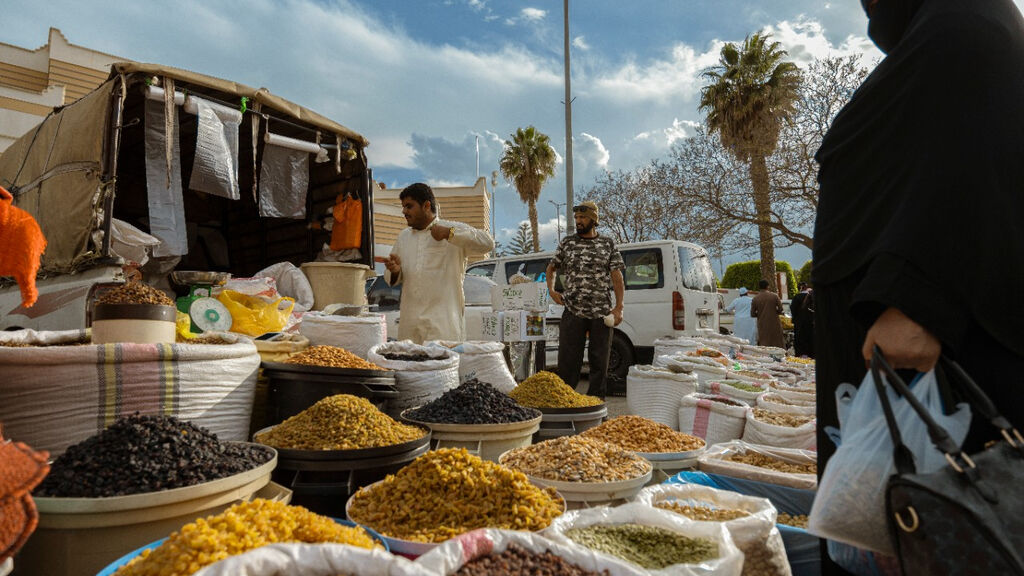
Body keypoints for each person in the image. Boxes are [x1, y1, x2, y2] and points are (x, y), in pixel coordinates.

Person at [813, 0, 1024, 572]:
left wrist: (922, 295)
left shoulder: (968, 17)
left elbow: (978, 142)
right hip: (885, 354)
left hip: (924, 348)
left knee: (938, 532)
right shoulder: (933, 32)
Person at [385, 183, 494, 343]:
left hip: (443, 328)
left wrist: (449, 234)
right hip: (410, 327)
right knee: (408, 366)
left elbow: (487, 243)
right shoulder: (404, 237)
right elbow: (392, 278)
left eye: (409, 206)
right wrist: (394, 270)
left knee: (443, 367)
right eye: (403, 207)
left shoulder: (452, 228)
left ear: (426, 205)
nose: (404, 212)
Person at [545, 201, 625, 399]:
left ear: (593, 220)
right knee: (568, 361)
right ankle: (566, 401)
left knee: (600, 362)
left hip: (601, 312)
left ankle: (596, 404)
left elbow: (616, 276)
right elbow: (551, 267)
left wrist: (618, 307)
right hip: (573, 310)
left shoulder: (607, 244)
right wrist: (552, 291)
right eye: (577, 218)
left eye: (583, 218)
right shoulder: (568, 243)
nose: (579, 222)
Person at [750, 279, 784, 348]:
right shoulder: (774, 296)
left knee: (765, 344)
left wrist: (760, 314)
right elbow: (781, 309)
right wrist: (775, 312)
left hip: (762, 324)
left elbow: (752, 314)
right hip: (775, 323)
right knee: (777, 343)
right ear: (768, 286)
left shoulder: (755, 298)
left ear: (759, 287)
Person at [790, 282, 815, 357]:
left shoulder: (797, 297)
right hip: (812, 323)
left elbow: (793, 309)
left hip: (800, 324)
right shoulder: (813, 295)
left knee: (800, 340)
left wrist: (795, 318)